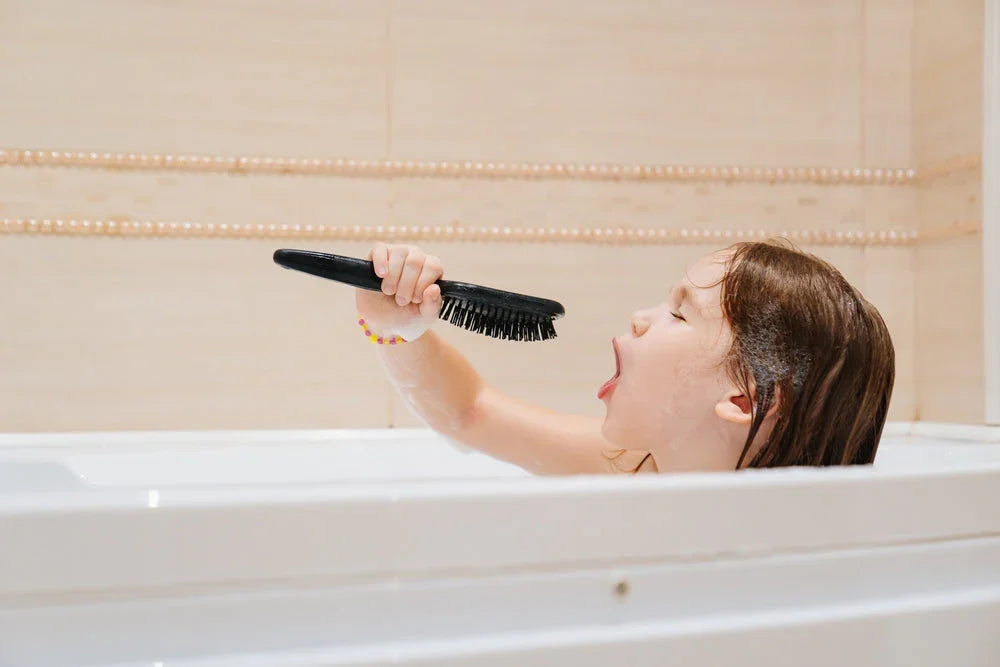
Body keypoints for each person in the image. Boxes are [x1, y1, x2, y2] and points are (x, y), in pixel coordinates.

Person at [354, 239, 895, 474]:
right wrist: (395, 331)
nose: (640, 317)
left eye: (679, 314)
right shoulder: (635, 471)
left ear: (741, 400)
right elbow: (469, 413)